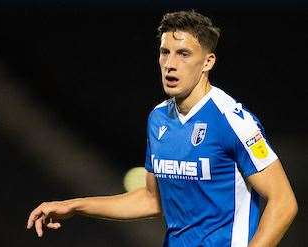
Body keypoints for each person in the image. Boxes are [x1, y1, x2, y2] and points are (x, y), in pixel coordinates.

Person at [26, 10, 297, 246]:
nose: (170, 64)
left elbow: (283, 202)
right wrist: (75, 206)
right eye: (165, 52)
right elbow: (152, 199)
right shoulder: (158, 119)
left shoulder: (233, 120)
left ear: (207, 62)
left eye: (183, 54)